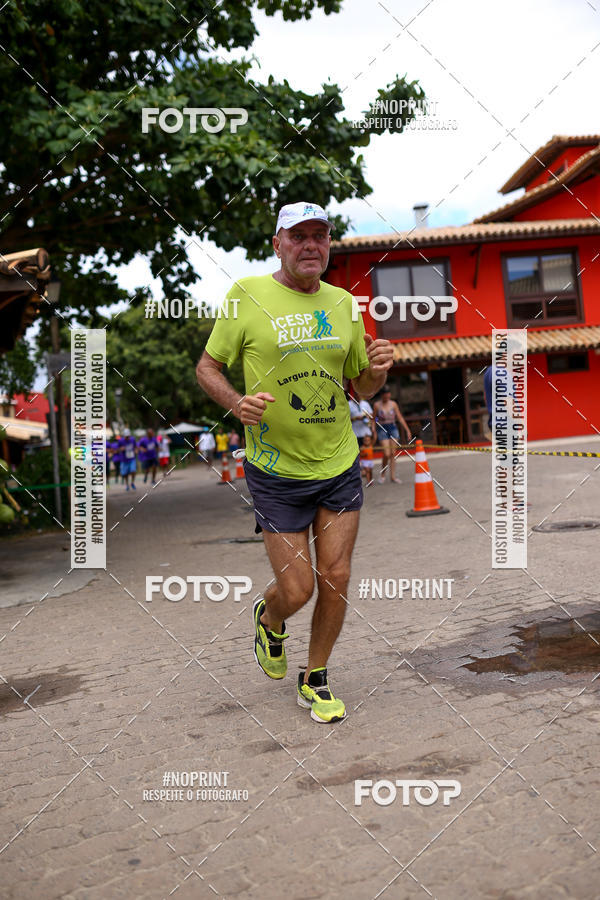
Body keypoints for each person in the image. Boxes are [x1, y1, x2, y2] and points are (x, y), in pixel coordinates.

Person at [196, 200, 394, 724]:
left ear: (329, 244)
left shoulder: (345, 305)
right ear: (278, 243)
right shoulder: (247, 296)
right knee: (297, 589)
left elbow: (364, 386)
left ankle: (316, 676)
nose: (310, 245)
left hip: (338, 462)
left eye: (319, 236)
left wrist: (377, 371)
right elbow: (207, 367)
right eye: (298, 236)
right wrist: (236, 403)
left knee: (337, 576)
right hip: (275, 470)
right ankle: (270, 617)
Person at [373, 385, 411, 484]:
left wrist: (407, 430)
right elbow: (374, 419)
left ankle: (393, 476)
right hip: (382, 428)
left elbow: (400, 417)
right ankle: (382, 474)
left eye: (388, 394)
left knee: (393, 453)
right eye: (384, 394)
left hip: (393, 427)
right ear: (381, 395)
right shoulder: (377, 405)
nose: (386, 396)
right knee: (386, 453)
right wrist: (373, 430)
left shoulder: (393, 404)